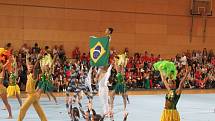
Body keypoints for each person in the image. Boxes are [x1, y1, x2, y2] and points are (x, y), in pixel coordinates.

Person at [18, 52, 48, 121]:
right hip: (32, 95)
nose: (30, 68)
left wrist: (38, 59)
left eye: (31, 67)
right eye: (29, 67)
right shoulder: (28, 74)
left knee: (22, 109)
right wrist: (26, 56)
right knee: (39, 110)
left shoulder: (34, 75)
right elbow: (27, 64)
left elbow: (35, 68)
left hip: (32, 95)